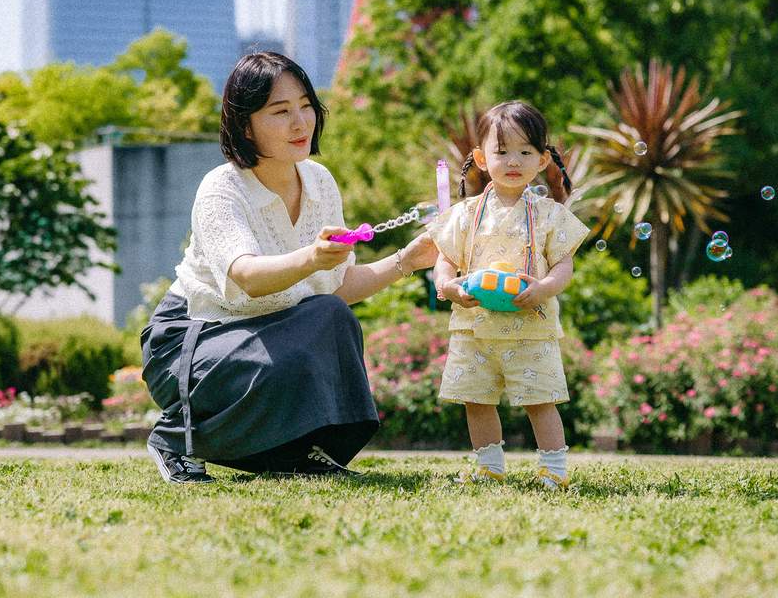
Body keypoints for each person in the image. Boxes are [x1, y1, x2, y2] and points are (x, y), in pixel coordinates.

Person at [141, 52, 438, 483]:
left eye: (306, 106)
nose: (300, 123)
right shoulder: (221, 189)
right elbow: (247, 276)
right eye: (280, 112)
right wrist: (311, 257)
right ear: (245, 126)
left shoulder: (320, 182)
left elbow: (335, 288)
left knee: (331, 316)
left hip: (264, 333)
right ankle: (177, 438)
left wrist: (406, 260)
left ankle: (297, 453)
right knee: (288, 349)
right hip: (193, 338)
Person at [428, 101, 589, 489]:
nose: (513, 161)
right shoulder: (465, 213)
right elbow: (444, 261)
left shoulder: (550, 214)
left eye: (525, 152)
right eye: (502, 151)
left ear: (543, 160)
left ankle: (554, 469)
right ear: (482, 159)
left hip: (529, 326)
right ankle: (489, 466)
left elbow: (563, 265)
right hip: (474, 326)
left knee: (540, 399)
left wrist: (545, 288)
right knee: (476, 399)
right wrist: (447, 286)